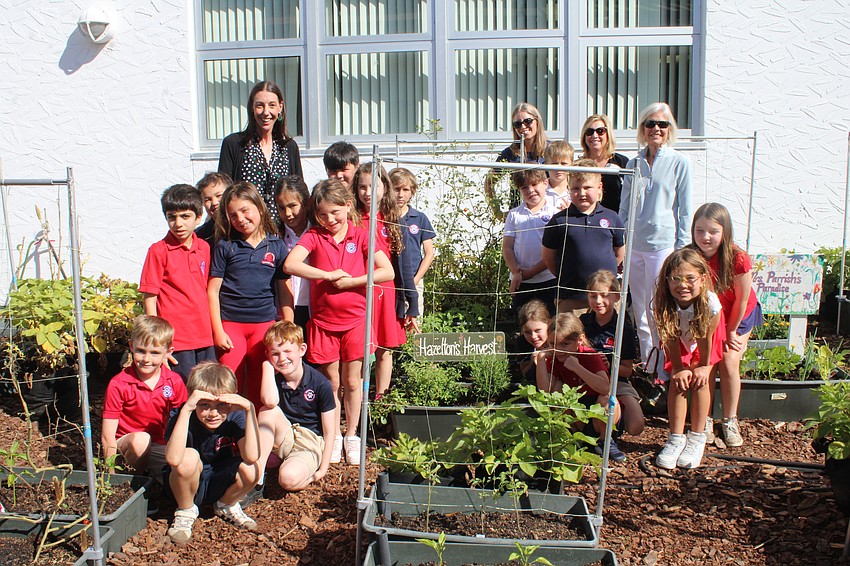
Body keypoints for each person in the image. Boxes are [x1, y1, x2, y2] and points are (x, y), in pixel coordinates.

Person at [284, 179, 394, 466]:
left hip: (356, 320)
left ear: (347, 205)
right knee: (331, 382)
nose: (330, 220)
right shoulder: (313, 236)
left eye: (335, 212)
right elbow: (290, 264)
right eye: (322, 215)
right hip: (323, 323)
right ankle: (332, 436)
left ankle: (352, 435)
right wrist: (327, 275)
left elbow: (387, 271)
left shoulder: (361, 236)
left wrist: (355, 280)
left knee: (353, 381)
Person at [619, 102, 693, 378]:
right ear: (643, 128)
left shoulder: (679, 163)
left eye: (662, 124)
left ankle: (667, 367)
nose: (656, 129)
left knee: (658, 308)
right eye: (650, 123)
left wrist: (682, 252)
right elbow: (624, 209)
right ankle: (651, 368)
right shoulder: (633, 163)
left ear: (670, 128)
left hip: (663, 247)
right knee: (639, 309)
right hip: (635, 248)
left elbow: (685, 211)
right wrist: (621, 242)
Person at [208, 182, 293, 408]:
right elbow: (213, 290)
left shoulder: (276, 246)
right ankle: (230, 438)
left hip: (263, 326)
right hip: (231, 326)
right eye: (233, 215)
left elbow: (284, 290)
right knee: (229, 384)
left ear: (260, 208)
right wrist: (218, 330)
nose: (240, 218)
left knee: (260, 384)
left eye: (245, 210)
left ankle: (255, 436)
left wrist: (288, 327)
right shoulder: (226, 246)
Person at [164, 362, 260, 544]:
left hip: (217, 479)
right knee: (189, 457)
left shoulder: (234, 416)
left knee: (254, 468)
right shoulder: (181, 415)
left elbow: (252, 456)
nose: (213, 413)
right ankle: (185, 511)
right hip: (184, 483)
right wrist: (186, 409)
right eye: (205, 405)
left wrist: (250, 410)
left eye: (222, 405)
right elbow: (173, 459)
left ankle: (226, 504)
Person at [690, 203, 762, 447]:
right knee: (707, 363)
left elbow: (742, 299)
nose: (706, 237)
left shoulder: (737, 258)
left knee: (729, 361)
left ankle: (730, 419)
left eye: (713, 231)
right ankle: (706, 417)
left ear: (725, 232)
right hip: (710, 317)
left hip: (738, 315)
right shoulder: (692, 256)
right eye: (700, 231)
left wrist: (731, 330)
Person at [653, 248, 725, 470]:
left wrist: (703, 366)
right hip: (679, 341)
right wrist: (678, 367)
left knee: (700, 380)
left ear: (702, 279)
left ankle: (697, 436)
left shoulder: (711, 305)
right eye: (675, 278)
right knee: (679, 380)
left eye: (690, 278)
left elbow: (705, 339)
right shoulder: (662, 303)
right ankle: (675, 438)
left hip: (706, 340)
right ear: (667, 281)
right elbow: (671, 339)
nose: (682, 285)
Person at [140, 184, 215, 381]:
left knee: (207, 391)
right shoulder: (158, 251)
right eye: (171, 217)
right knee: (182, 394)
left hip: (205, 336)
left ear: (198, 217)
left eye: (185, 216)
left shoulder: (204, 248)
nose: (178, 223)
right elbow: (150, 298)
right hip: (176, 340)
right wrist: (157, 344)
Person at [101, 315, 188, 478]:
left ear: (168, 353)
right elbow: (108, 436)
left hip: (158, 446)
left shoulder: (174, 381)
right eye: (141, 351)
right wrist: (111, 477)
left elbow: (182, 424)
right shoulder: (119, 383)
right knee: (141, 441)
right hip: (127, 447)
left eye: (155, 353)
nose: (147, 359)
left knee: (187, 464)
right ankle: (132, 482)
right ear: (131, 347)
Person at [256, 322, 335, 492]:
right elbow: (269, 402)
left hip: (308, 441)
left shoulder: (320, 383)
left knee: (288, 479)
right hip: (286, 435)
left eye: (287, 351)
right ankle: (257, 477)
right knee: (266, 411)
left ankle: (295, 466)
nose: (282, 359)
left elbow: (330, 431)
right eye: (275, 354)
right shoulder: (274, 379)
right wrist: (266, 367)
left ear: (302, 349)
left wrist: (322, 469)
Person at [536, 312, 625, 462]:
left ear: (580, 339)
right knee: (556, 390)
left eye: (565, 344)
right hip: (578, 414)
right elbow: (545, 392)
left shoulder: (589, 355)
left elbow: (605, 388)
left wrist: (577, 368)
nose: (559, 349)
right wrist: (541, 359)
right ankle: (571, 438)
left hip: (599, 415)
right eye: (552, 344)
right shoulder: (554, 358)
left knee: (607, 399)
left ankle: (606, 441)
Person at [542, 158, 625, 316]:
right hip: (571, 298)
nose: (581, 193)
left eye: (587, 187)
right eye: (576, 188)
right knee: (571, 338)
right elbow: (548, 258)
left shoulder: (612, 217)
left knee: (607, 338)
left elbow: (619, 253)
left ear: (599, 187)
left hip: (606, 297)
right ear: (568, 188)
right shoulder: (559, 221)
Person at [353, 163, 408, 399]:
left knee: (385, 348)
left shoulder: (391, 218)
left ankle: (381, 399)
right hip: (359, 289)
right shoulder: (352, 218)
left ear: (384, 187)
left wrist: (408, 299)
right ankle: (360, 398)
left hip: (386, 289)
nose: (367, 192)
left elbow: (402, 262)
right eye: (362, 187)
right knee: (362, 347)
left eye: (373, 186)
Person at [217, 81, 303, 218]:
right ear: (252, 107)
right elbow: (224, 192)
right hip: (245, 230)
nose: (266, 112)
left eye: (272, 105)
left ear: (280, 107)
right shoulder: (234, 144)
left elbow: (299, 193)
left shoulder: (289, 147)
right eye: (259, 106)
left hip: (281, 232)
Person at [580, 270, 645, 437]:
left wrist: (610, 365)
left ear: (616, 296)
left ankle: (616, 423)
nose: (598, 301)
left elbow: (627, 370)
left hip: (616, 381)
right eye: (593, 296)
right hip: (586, 379)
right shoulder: (582, 323)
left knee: (636, 426)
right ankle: (597, 434)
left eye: (604, 295)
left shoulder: (624, 327)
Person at [502, 168, 558, 317]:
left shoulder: (555, 213)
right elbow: (507, 247)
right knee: (524, 322)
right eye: (525, 187)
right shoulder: (514, 214)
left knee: (549, 323)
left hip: (548, 279)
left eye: (534, 184)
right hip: (521, 281)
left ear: (545, 183)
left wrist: (531, 272)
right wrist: (516, 272)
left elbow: (554, 251)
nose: (531, 190)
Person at [485, 102, 549, 218]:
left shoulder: (551, 150)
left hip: (547, 214)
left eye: (527, 121)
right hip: (519, 215)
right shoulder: (510, 153)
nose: (523, 127)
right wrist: (497, 212)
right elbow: (489, 182)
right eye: (517, 124)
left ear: (537, 121)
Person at [389, 167, 435, 321]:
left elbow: (429, 253)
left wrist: (415, 280)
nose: (400, 194)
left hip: (414, 278)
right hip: (391, 280)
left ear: (412, 192)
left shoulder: (419, 218)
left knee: (414, 319)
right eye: (396, 189)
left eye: (405, 189)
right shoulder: (384, 217)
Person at [274, 176, 312, 330]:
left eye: (292, 206)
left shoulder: (318, 232)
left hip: (314, 307)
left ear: (306, 202)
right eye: (281, 208)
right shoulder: (277, 237)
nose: (288, 213)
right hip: (286, 309)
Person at [579, 114, 629, 213]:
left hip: (615, 221)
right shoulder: (579, 165)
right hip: (586, 221)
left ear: (608, 134)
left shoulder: (622, 162)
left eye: (600, 131)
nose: (594, 136)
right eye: (589, 132)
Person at [516, 299, 551, 383]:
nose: (533, 336)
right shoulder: (523, 342)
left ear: (549, 324)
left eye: (538, 330)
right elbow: (524, 373)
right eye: (527, 332)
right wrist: (532, 362)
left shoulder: (558, 342)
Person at [195, 172, 232, 246]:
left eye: (219, 196)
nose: (214, 203)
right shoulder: (200, 236)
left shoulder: (242, 227)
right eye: (208, 199)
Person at [543, 141, 574, 210]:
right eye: (554, 163)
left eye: (563, 163)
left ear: (572, 164)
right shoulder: (540, 189)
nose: (559, 167)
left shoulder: (575, 190)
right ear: (546, 164)